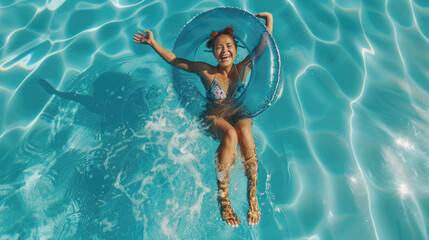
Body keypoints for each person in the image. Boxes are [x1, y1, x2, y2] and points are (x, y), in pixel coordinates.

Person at [133, 12, 273, 227]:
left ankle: (251, 194)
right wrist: (153, 43)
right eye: (218, 47)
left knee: (244, 130)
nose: (224, 50)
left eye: (228, 46)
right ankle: (223, 197)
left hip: (238, 112)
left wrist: (268, 20)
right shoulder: (207, 71)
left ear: (236, 49)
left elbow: (263, 48)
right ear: (213, 52)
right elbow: (176, 60)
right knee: (230, 134)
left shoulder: (243, 67)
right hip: (214, 116)